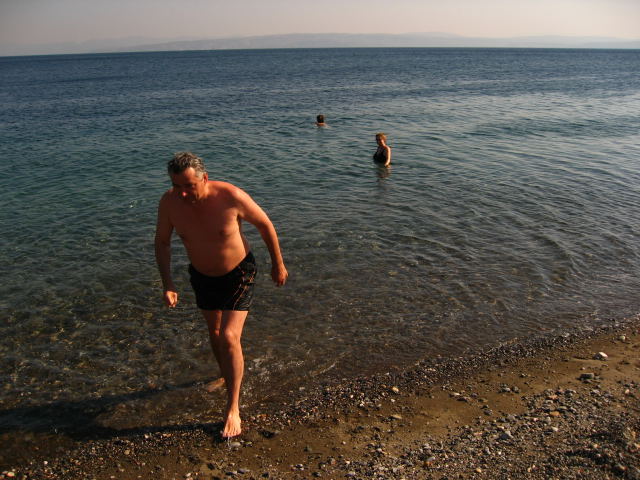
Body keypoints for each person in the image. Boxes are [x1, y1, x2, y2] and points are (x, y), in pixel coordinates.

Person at [154, 152, 288, 438]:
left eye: (189, 185)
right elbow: (162, 242)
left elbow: (264, 225)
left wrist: (278, 264)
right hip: (201, 275)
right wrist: (168, 283)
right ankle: (225, 374)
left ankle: (233, 408)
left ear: (204, 178)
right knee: (215, 333)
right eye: (176, 186)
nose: (183, 193)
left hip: (238, 272)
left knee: (228, 336)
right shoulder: (169, 202)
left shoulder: (230, 196)